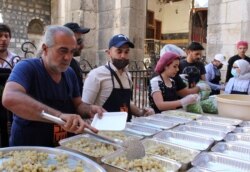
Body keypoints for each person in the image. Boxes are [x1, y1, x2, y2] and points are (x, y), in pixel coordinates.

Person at [2, 25, 105, 147]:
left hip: (63, 151)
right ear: (45, 48)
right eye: (63, 50)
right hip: (29, 152)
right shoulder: (27, 67)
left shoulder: (70, 73)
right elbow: (10, 98)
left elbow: (78, 104)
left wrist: (89, 109)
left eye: (72, 52)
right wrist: (59, 116)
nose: (68, 57)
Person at [82, 34, 154, 121]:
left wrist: (140, 112)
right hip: (103, 130)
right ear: (109, 53)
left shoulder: (128, 76)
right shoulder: (96, 75)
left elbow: (126, 103)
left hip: (125, 128)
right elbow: (84, 108)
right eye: (119, 51)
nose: (123, 56)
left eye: (126, 52)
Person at [64, 22, 90, 94]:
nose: (82, 45)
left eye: (81, 41)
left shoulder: (74, 64)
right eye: (78, 41)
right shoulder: (62, 65)